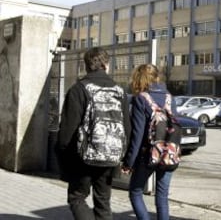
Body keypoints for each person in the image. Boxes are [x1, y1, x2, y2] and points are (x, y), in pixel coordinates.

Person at [56, 47, 130, 220]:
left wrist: (63, 157)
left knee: (77, 197)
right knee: (103, 201)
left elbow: (67, 129)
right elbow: (127, 127)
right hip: (110, 156)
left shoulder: (79, 89)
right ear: (106, 65)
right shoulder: (119, 91)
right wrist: (122, 156)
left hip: (82, 157)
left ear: (86, 65)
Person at [122, 64, 177, 220]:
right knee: (162, 196)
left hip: (148, 155)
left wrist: (129, 162)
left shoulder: (141, 98)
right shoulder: (169, 97)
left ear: (139, 79)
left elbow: (138, 134)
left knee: (135, 191)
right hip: (169, 153)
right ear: (157, 77)